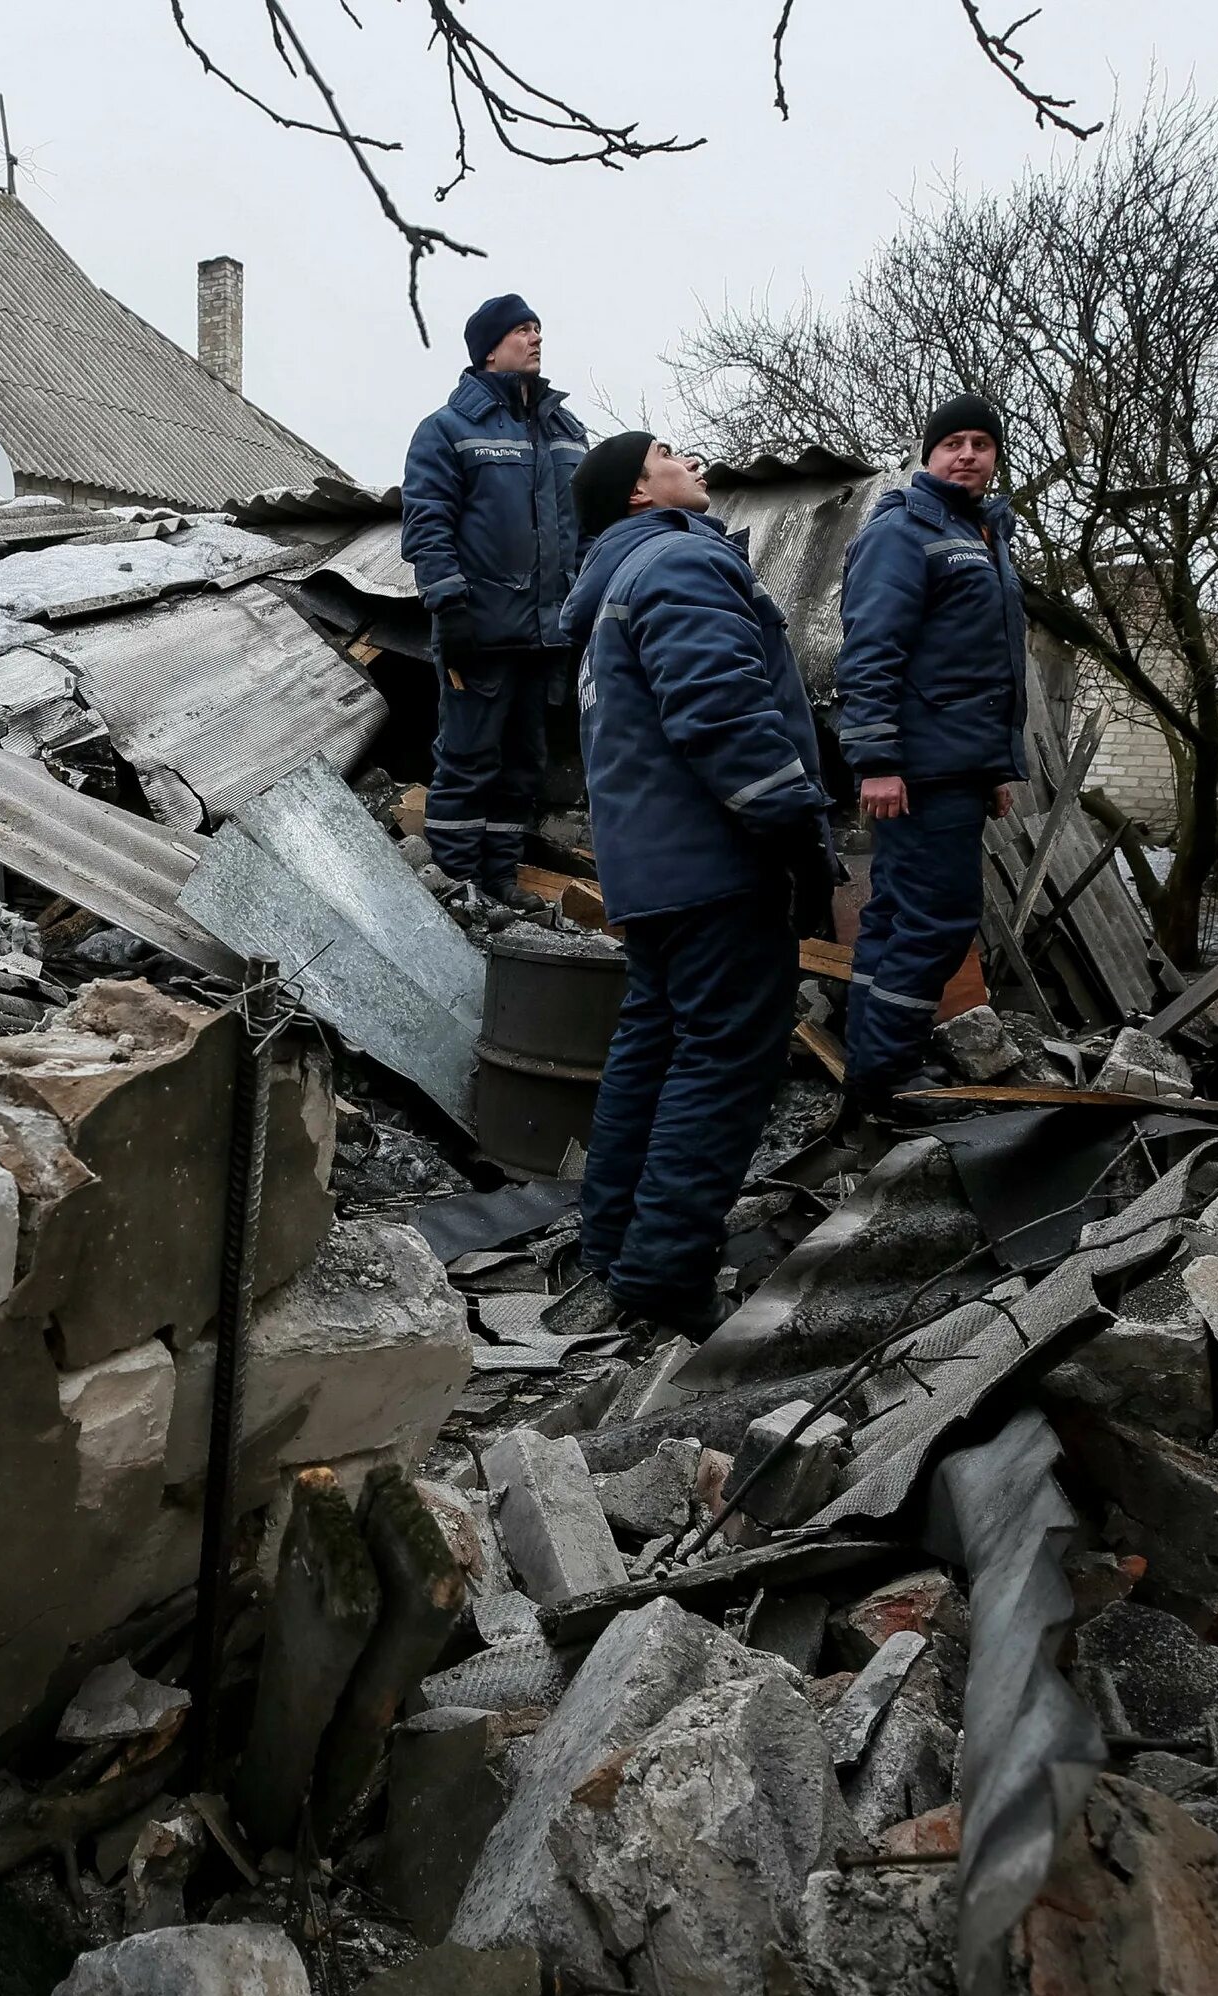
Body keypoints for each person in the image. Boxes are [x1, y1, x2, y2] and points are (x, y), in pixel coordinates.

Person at [560, 431, 839, 1339]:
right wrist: (795, 828)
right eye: (674, 455)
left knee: (654, 1043)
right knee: (723, 1056)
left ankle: (612, 1240)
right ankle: (666, 1270)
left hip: (652, 871)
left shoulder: (612, 595)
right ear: (642, 494)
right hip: (716, 861)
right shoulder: (679, 561)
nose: (697, 464)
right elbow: (722, 710)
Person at [833, 392, 1029, 1117]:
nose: (968, 454)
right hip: (916, 767)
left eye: (981, 442)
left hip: (954, 766)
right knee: (940, 915)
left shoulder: (983, 533)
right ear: (928, 453)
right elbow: (871, 652)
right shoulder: (905, 530)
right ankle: (889, 1078)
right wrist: (877, 760)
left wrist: (992, 771)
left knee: (893, 913)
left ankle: (869, 1066)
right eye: (953, 442)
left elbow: (983, 663)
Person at [399, 293, 590, 899]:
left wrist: (581, 608)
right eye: (522, 330)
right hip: (478, 630)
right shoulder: (447, 430)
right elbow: (427, 523)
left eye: (539, 328)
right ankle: (456, 887)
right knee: (468, 755)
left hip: (544, 635)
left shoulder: (566, 431)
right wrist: (448, 604)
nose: (536, 338)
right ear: (488, 348)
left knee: (523, 762)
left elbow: (586, 529)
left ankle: (500, 880)